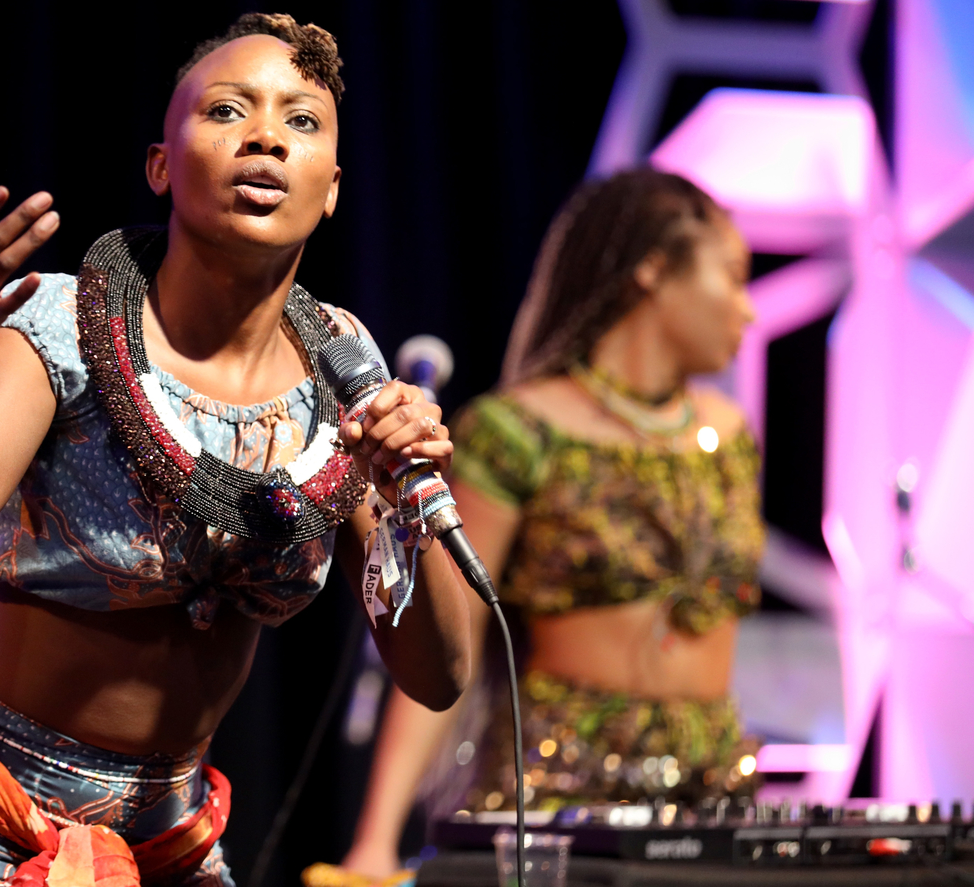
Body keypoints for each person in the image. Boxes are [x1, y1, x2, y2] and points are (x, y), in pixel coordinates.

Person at [0, 13, 474, 887]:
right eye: (228, 110)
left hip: (168, 832)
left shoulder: (346, 369)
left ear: (330, 187)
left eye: (301, 121)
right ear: (160, 165)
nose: (265, 135)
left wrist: (413, 500)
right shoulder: (61, 329)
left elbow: (440, 674)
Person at [313, 168, 765, 887]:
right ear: (653, 268)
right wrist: (375, 840)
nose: (748, 309)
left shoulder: (731, 433)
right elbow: (448, 636)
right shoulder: (518, 430)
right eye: (734, 277)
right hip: (561, 806)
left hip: (713, 802)